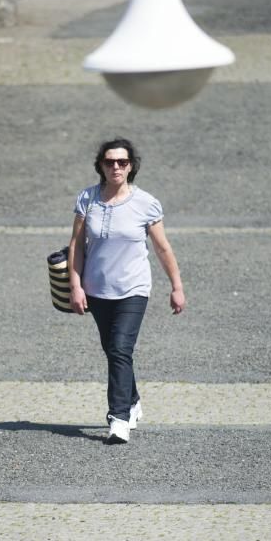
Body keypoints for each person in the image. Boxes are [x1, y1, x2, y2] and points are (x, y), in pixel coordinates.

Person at [67, 137, 185, 444]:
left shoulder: (145, 203)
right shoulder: (88, 199)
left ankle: (118, 418)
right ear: (101, 166)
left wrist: (177, 286)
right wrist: (76, 286)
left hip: (133, 288)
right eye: (109, 162)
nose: (116, 167)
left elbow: (162, 247)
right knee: (113, 350)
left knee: (120, 348)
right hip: (96, 289)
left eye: (122, 162)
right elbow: (77, 245)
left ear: (131, 166)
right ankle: (132, 401)